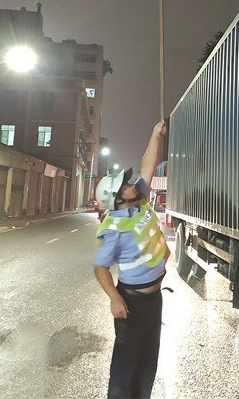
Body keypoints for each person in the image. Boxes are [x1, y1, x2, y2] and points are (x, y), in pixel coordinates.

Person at [93, 120, 170, 399]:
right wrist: (115, 298)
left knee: (148, 358)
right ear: (117, 198)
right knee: (126, 364)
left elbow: (146, 167)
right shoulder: (113, 228)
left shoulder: (140, 204)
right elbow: (100, 268)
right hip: (132, 303)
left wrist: (154, 136)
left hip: (153, 299)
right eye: (126, 184)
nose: (132, 183)